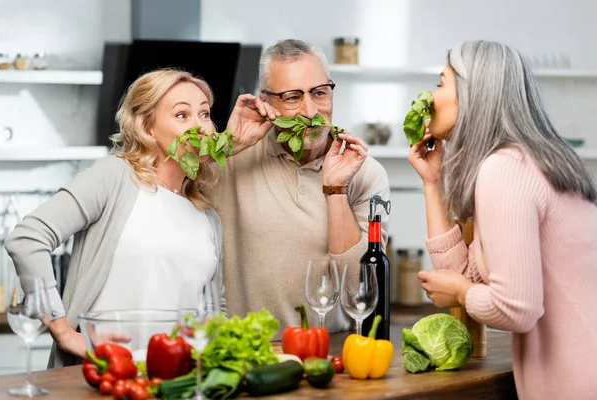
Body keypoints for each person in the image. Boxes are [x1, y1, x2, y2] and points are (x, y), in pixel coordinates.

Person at [4, 68, 277, 368]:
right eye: (182, 115)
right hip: (106, 375)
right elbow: (27, 238)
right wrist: (64, 332)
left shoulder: (206, 214)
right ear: (148, 129)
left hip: (179, 379)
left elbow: (215, 307)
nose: (200, 126)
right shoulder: (115, 177)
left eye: (204, 114)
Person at [409, 40, 597, 400]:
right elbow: (466, 276)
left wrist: (462, 294)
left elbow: (517, 310)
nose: (431, 97)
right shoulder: (521, 162)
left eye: (441, 82)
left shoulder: (505, 170)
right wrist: (433, 184)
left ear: (474, 94)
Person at [212, 39, 391, 335]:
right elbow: (166, 200)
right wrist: (228, 147)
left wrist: (335, 189)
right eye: (292, 97)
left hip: (332, 352)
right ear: (265, 102)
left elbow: (360, 286)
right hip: (251, 352)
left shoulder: (366, 173)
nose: (311, 111)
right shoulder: (232, 160)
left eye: (320, 93)